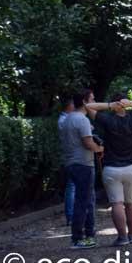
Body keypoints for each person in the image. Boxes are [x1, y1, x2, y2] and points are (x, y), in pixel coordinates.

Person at [87, 93, 132, 246]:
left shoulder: (107, 119)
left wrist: (110, 105)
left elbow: (88, 106)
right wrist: (129, 104)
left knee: (117, 204)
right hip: (131, 167)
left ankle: (122, 237)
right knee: (131, 204)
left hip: (111, 167)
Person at [61, 90, 103, 249]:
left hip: (72, 163)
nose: (94, 101)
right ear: (85, 102)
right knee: (84, 201)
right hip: (83, 164)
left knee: (85, 199)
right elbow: (88, 143)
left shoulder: (68, 118)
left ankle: (87, 234)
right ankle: (79, 237)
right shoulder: (82, 120)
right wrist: (100, 149)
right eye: (92, 99)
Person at [58, 97, 77, 226]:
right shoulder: (64, 120)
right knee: (72, 186)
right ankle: (70, 216)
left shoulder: (65, 119)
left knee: (73, 185)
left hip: (72, 155)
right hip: (73, 156)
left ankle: (73, 215)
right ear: (69, 105)